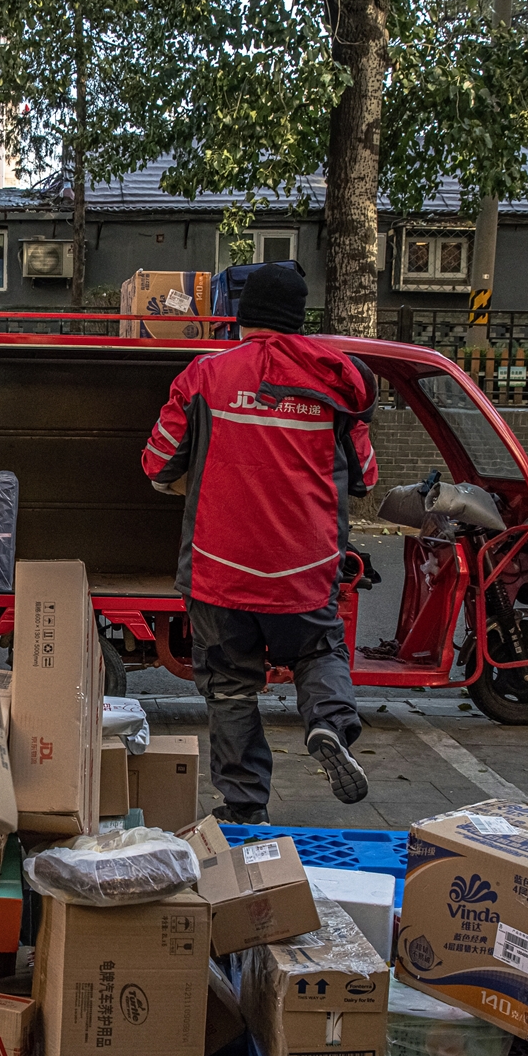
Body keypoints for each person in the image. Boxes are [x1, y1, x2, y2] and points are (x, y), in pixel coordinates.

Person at [140, 261, 376, 824]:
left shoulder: (204, 376)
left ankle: (245, 809)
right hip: (306, 567)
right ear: (298, 319)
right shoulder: (336, 383)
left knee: (229, 688)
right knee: (320, 652)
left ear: (242, 318)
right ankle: (327, 722)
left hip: (219, 571)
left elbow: (155, 463)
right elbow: (364, 477)